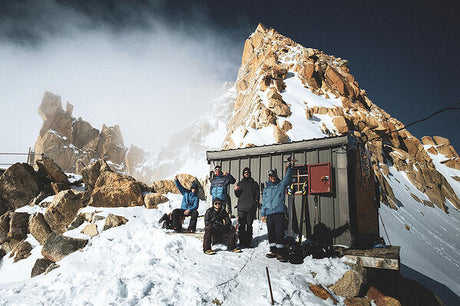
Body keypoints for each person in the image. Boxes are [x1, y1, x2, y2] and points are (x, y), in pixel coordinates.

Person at [261, 161, 294, 262]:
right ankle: (273, 250)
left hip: (279, 212)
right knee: (271, 232)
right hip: (269, 213)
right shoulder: (266, 188)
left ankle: (281, 252)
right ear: (269, 177)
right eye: (271, 176)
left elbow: (287, 179)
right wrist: (263, 214)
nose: (273, 178)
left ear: (276, 176)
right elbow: (264, 201)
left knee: (279, 232)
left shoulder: (281, 185)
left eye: (274, 176)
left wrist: (289, 167)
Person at [234, 167, 260, 248]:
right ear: (243, 174)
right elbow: (237, 195)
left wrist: (255, 203)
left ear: (250, 173)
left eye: (248, 173)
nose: (246, 174)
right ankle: (241, 242)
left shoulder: (254, 183)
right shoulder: (240, 183)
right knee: (241, 225)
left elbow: (257, 195)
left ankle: (248, 242)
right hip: (241, 208)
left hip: (250, 208)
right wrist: (236, 190)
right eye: (245, 173)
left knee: (249, 225)